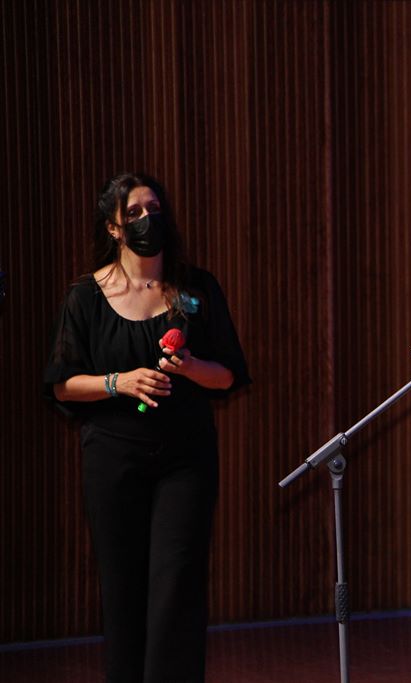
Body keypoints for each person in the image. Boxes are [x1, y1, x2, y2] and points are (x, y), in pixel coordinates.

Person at [43, 172, 251, 682]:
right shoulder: (86, 296)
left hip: (186, 458)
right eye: (133, 212)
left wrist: (190, 367)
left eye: (153, 209)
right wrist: (120, 382)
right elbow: (62, 385)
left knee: (177, 583)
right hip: (113, 459)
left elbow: (228, 376)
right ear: (113, 227)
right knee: (123, 589)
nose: (146, 219)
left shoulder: (196, 287)